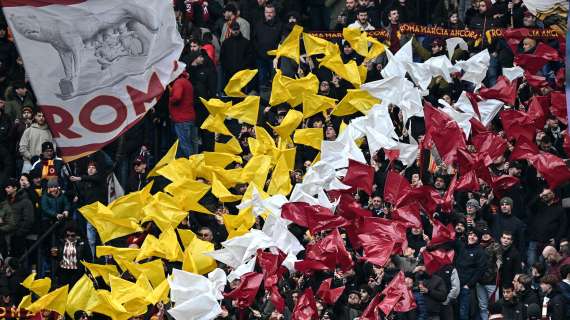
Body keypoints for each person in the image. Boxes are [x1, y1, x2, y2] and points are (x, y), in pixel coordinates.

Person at [527, 188, 568, 268]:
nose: (545, 195)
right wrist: (541, 194)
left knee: (546, 266)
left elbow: (563, 226)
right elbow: (530, 205)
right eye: (544, 193)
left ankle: (544, 281)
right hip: (534, 241)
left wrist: (556, 239)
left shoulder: (559, 209)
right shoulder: (538, 206)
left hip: (548, 243)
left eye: (548, 193)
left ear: (553, 195)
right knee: (531, 263)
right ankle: (530, 281)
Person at [456, 228, 487, 320]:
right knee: (456, 311)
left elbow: (480, 270)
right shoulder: (462, 246)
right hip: (456, 285)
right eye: (470, 235)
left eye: (475, 236)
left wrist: (469, 285)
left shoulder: (480, 251)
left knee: (464, 312)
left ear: (478, 238)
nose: (472, 237)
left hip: (466, 287)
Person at [251, 3, 282, 93]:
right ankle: (263, 103)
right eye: (267, 12)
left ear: (274, 13)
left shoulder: (280, 25)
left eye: (271, 12)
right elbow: (254, 40)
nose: (269, 14)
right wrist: (258, 51)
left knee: (275, 81)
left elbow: (281, 41)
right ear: (264, 13)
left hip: (274, 58)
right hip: (261, 57)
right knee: (262, 81)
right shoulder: (258, 24)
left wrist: (276, 53)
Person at [2, 178, 34, 257]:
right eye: (5, 187)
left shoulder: (25, 201)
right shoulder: (6, 201)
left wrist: (18, 233)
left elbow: (28, 220)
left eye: (8, 187)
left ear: (15, 188)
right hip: (6, 235)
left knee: (17, 261)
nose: (6, 189)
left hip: (18, 238)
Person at [169, 70, 197, 158]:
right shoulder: (187, 82)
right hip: (189, 117)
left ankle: (193, 165)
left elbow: (177, 97)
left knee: (184, 145)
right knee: (188, 144)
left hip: (181, 119)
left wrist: (170, 98)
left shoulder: (178, 83)